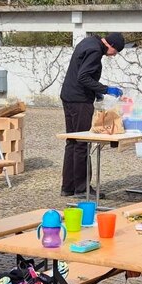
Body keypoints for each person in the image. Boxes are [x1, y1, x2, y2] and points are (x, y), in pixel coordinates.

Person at [59, 32, 126, 197]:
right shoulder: (96, 50)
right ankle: (82, 189)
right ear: (111, 46)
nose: (113, 55)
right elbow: (83, 77)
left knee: (72, 142)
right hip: (80, 100)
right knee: (82, 142)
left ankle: (68, 187)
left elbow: (80, 73)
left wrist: (97, 93)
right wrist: (105, 89)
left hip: (69, 96)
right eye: (115, 52)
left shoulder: (89, 41)